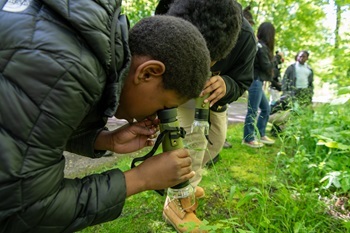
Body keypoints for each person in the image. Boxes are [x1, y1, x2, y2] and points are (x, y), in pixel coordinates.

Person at [0, 0, 213, 231]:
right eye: (163, 106)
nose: (158, 116)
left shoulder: (84, 37)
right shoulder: (69, 68)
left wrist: (102, 140)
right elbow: (25, 210)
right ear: (148, 73)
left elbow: (25, 127)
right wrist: (141, 178)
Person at [155, 0, 256, 232]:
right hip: (182, 87)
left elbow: (242, 80)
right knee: (191, 144)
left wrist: (226, 85)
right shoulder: (171, 8)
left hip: (214, 100)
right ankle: (178, 203)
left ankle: (176, 181)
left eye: (209, 57)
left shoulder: (246, 39)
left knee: (215, 142)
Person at [242, 22, 277, 148]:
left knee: (266, 109)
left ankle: (261, 134)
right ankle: (248, 138)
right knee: (252, 110)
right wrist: (276, 60)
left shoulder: (261, 46)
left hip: (258, 81)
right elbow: (266, 66)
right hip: (255, 81)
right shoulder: (260, 47)